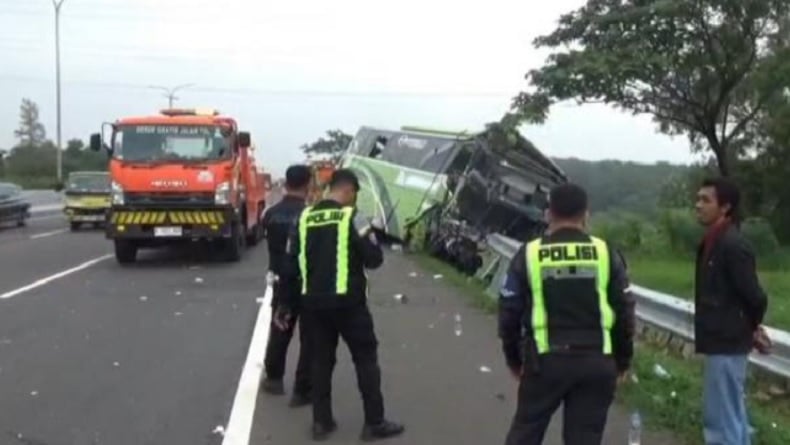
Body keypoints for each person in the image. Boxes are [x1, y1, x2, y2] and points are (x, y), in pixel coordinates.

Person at [498, 183, 635, 445]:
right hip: (597, 362)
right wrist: (622, 360)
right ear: (586, 215)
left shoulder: (530, 253)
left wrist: (514, 360)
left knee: (525, 434)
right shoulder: (606, 253)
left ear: (549, 213)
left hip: (544, 362)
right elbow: (625, 312)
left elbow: (508, 310)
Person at [277, 168, 404, 441]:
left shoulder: (304, 217)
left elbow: (288, 266)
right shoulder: (352, 217)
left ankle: (321, 422)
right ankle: (374, 422)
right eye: (354, 195)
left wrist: (285, 305)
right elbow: (374, 259)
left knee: (320, 362)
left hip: (312, 306)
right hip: (350, 305)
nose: (353, 200)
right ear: (348, 190)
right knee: (365, 360)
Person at [693, 177, 770, 445]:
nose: (698, 205)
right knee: (732, 416)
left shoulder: (732, 245)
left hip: (727, 340)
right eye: (698, 199)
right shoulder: (714, 241)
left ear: (725, 207)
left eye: (706, 200)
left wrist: (751, 326)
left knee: (721, 421)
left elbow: (755, 296)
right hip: (723, 338)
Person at [260, 164, 314, 407]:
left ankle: (274, 379)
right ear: (308, 185)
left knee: (281, 328)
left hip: (282, 282)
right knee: (310, 336)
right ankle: (303, 388)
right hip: (307, 283)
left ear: (285, 183)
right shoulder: (310, 215)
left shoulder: (270, 214)